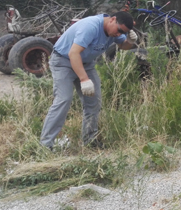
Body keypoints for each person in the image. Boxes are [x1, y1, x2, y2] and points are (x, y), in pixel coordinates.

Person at [40, 11, 137, 150]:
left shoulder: (114, 31)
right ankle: (45, 145)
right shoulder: (90, 26)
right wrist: (84, 79)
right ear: (112, 19)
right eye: (119, 30)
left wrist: (130, 42)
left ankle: (90, 142)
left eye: (123, 32)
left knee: (94, 101)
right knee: (64, 99)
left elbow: (123, 46)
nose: (119, 34)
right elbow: (73, 53)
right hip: (63, 61)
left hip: (86, 64)